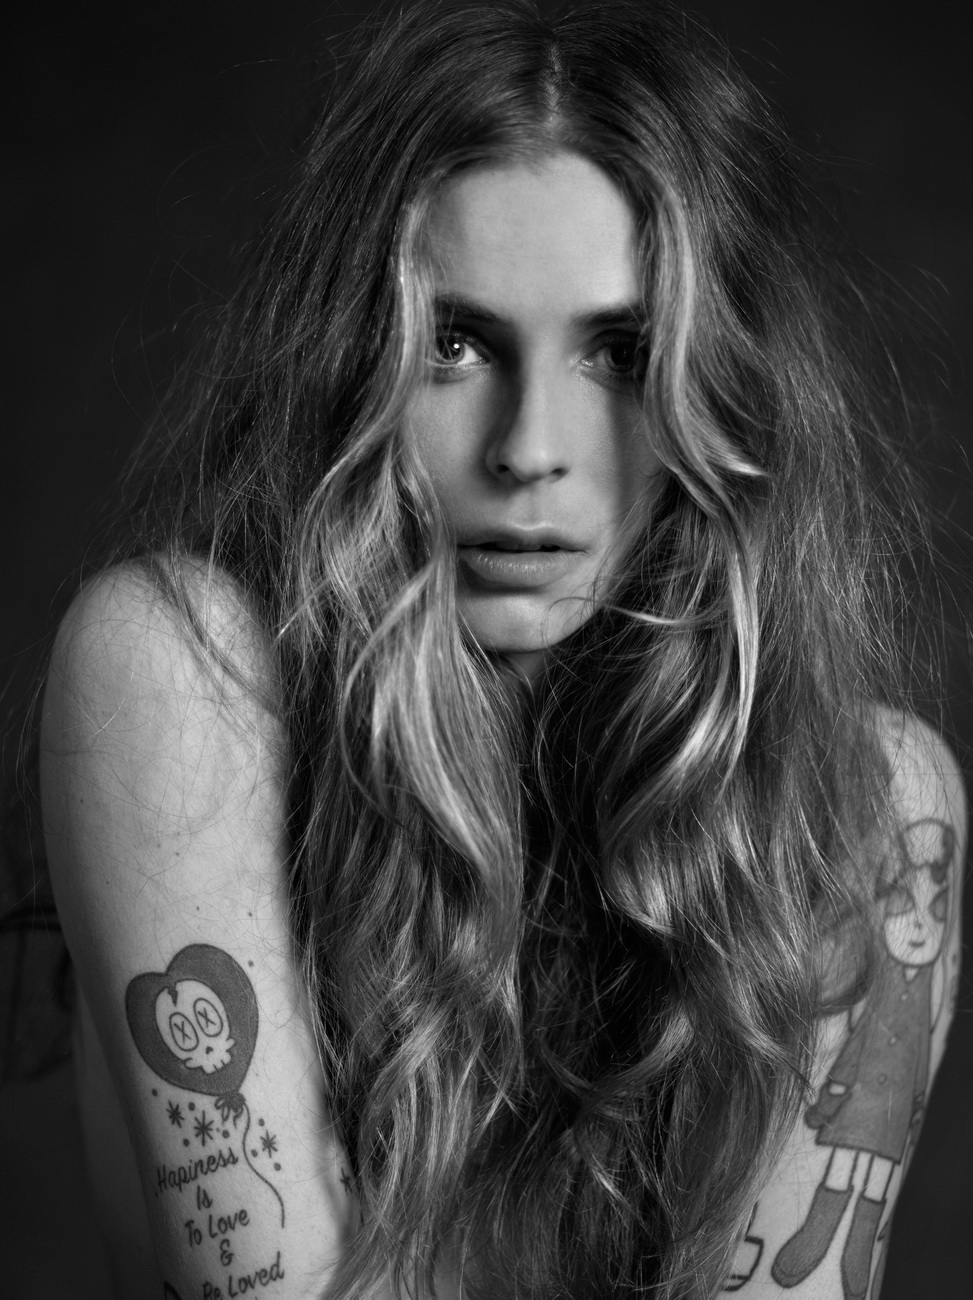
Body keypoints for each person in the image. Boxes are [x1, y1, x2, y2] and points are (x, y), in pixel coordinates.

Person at [35, 1, 965, 1297]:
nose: (529, 448)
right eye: (455, 344)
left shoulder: (866, 812)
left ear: (721, 383)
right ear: (353, 356)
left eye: (619, 353)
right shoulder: (181, 675)